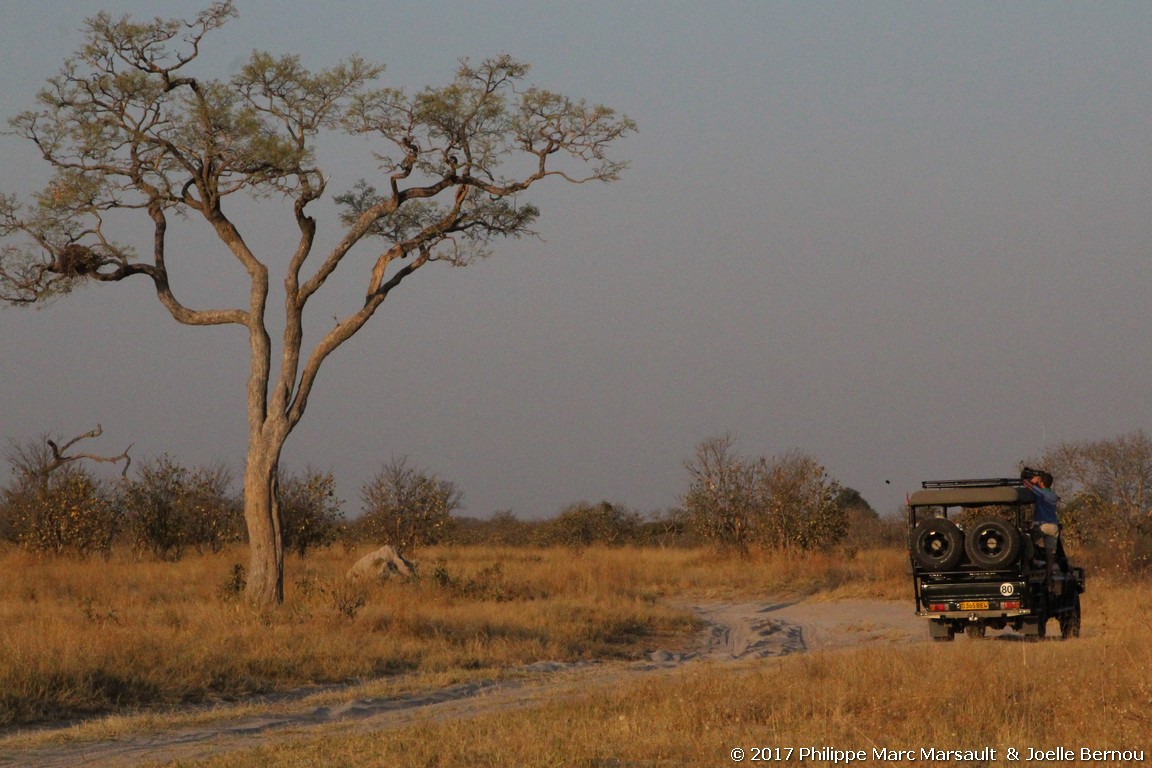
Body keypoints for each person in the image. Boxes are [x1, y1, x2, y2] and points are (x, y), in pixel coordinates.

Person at [1021, 469, 1067, 585]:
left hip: (1042, 525)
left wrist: (1032, 481)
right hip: (1053, 526)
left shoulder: (1041, 494)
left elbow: (1026, 484)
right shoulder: (1053, 495)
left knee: (1026, 544)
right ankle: (1048, 581)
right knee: (1050, 555)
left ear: (1041, 482)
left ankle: (1026, 570)